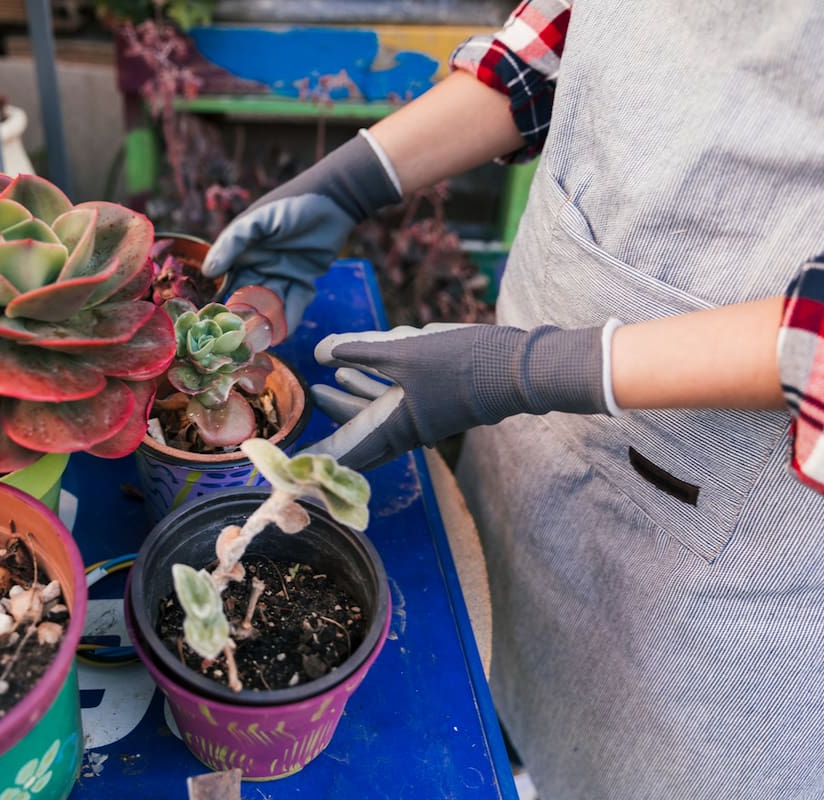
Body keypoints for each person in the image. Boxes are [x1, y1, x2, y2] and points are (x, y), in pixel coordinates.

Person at [201, 2, 824, 798]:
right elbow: (575, 37)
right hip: (530, 428)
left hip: (724, 550)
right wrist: (352, 181)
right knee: (479, 662)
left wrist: (529, 370)